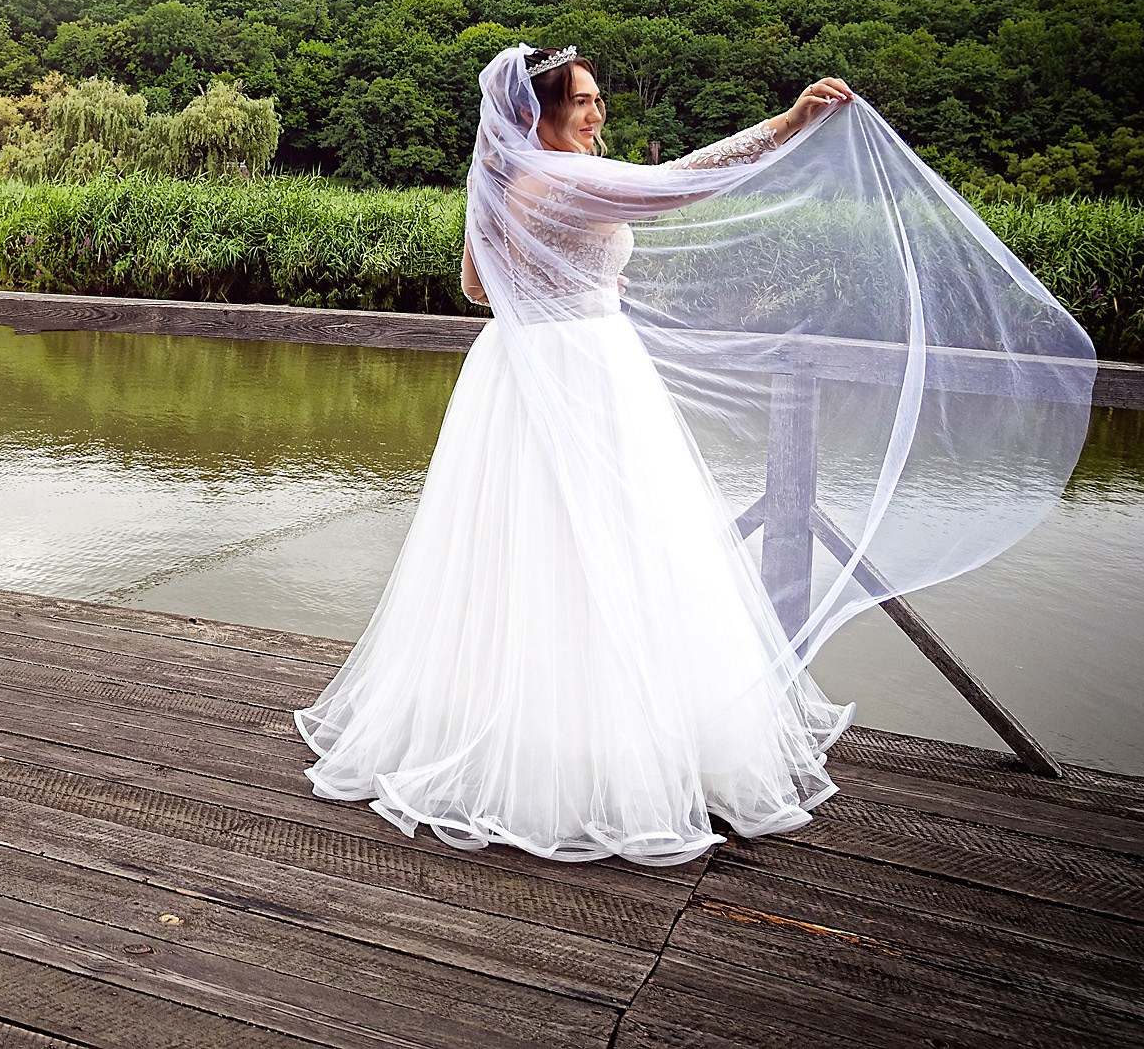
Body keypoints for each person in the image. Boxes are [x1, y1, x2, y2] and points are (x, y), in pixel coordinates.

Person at [297, 44, 1093, 866]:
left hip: (514, 368)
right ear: (540, 113)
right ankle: (606, 755)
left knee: (523, 549)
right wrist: (787, 125)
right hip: (585, 371)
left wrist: (562, 275)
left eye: (598, 99)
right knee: (616, 548)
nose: (597, 114)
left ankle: (517, 729)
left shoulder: (502, 182)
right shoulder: (566, 177)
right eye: (581, 103)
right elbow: (682, 182)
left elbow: (473, 285)